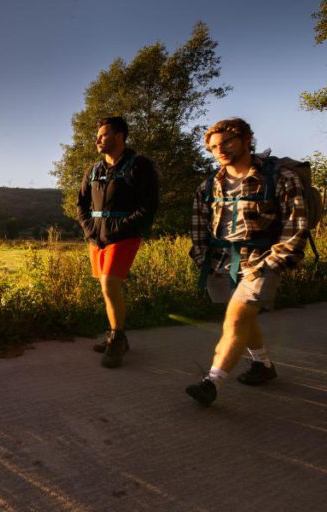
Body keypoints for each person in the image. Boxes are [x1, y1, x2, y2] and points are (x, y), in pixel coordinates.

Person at [186, 117, 308, 406]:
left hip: (262, 259)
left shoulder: (280, 179)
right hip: (221, 262)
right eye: (214, 147)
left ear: (246, 139)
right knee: (242, 319)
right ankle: (263, 365)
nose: (221, 150)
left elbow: (296, 225)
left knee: (236, 318)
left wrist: (273, 263)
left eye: (227, 141)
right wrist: (202, 257)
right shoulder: (208, 186)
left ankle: (211, 382)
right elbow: (198, 225)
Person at [76, 116, 159, 368]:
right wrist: (90, 229)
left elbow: (149, 206)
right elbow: (81, 204)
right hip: (97, 238)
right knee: (105, 288)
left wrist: (118, 228)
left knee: (110, 285)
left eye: (103, 135)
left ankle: (118, 340)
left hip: (124, 236)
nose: (97, 140)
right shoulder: (93, 170)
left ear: (120, 136)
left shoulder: (139, 166)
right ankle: (115, 332)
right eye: (97, 136)